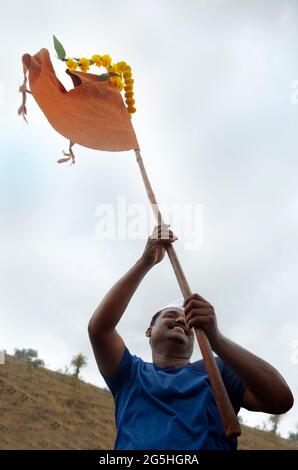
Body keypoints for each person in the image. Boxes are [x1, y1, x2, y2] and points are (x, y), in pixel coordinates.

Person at [88, 224, 294, 450]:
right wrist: (145, 262)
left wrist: (217, 339)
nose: (181, 321)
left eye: (189, 321)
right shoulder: (130, 373)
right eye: (170, 315)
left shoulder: (218, 372)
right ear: (149, 330)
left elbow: (281, 400)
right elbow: (99, 329)